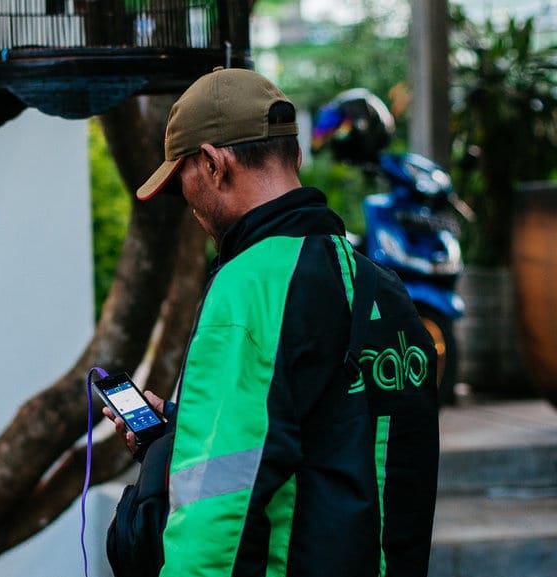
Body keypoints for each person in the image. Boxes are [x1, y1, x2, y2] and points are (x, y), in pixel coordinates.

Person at [102, 68, 440, 577]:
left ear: (214, 165)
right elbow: (327, 440)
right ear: (296, 157)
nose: (190, 208)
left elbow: (214, 523)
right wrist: (185, 431)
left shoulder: (246, 289)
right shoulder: (383, 290)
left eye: (183, 181)